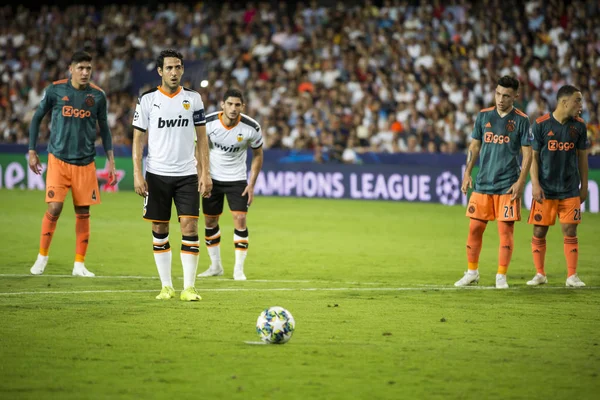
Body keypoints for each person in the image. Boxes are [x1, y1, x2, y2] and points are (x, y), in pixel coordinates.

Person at [131, 49, 212, 301]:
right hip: (156, 175)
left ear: (183, 69)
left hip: (187, 174)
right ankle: (166, 286)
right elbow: (137, 141)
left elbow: (202, 139)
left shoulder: (194, 99)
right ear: (160, 71)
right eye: (169, 68)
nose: (174, 72)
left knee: (190, 226)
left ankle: (189, 287)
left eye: (178, 67)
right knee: (160, 227)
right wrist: (137, 173)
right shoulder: (147, 100)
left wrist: (205, 173)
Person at [28, 50, 116, 277]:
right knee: (55, 208)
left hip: (85, 163)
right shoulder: (56, 90)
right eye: (80, 68)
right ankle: (42, 257)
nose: (85, 72)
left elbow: (104, 129)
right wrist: (31, 150)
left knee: (83, 211)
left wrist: (111, 160)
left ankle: (79, 264)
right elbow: (37, 118)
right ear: (71, 69)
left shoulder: (98, 96)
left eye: (88, 68)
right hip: (58, 159)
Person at [455, 76, 533, 289]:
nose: (500, 99)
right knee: (474, 229)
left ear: (515, 96)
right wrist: (467, 173)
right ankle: (472, 272)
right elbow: (474, 146)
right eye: (498, 93)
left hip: (507, 186)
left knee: (505, 233)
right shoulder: (483, 116)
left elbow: (528, 154)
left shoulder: (521, 120)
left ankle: (501, 275)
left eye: (506, 95)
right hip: (482, 184)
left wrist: (520, 182)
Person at [197, 88, 264, 281]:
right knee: (210, 221)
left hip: (237, 179)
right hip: (212, 179)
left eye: (237, 105)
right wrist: (202, 175)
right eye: (230, 104)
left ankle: (238, 269)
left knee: (240, 219)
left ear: (242, 106)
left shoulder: (251, 127)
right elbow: (198, 148)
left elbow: (258, 155)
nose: (233, 108)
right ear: (222, 105)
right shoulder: (208, 122)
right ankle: (215, 266)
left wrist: (251, 184)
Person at [527, 85, 589, 287]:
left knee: (570, 230)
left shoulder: (579, 126)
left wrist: (584, 185)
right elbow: (533, 158)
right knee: (539, 231)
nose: (580, 105)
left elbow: (582, 159)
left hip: (570, 188)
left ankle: (572, 276)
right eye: (577, 100)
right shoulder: (541, 124)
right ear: (564, 102)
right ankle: (540, 274)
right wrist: (535, 184)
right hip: (546, 189)